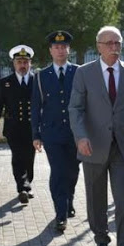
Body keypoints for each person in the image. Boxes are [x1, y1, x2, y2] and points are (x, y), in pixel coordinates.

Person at [69, 26, 124, 246]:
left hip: (122, 147)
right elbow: (76, 109)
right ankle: (101, 239)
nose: (114, 48)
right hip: (93, 146)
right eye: (109, 43)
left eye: (118, 43)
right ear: (99, 46)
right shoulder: (84, 73)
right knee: (96, 198)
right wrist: (81, 137)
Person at [31, 31, 80, 233]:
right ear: (51, 50)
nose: (60, 50)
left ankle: (69, 200)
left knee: (73, 171)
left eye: (64, 47)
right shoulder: (41, 76)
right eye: (56, 47)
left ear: (69, 49)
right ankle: (60, 214)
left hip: (75, 133)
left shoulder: (79, 72)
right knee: (58, 172)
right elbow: (35, 107)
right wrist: (36, 134)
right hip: (52, 134)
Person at [0, 45, 36, 205]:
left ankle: (27, 184)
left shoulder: (37, 81)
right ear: (14, 64)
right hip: (13, 128)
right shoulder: (5, 83)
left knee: (30, 157)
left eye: (25, 61)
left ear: (30, 63)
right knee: (18, 157)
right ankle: (22, 188)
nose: (22, 65)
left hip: (32, 127)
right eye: (19, 61)